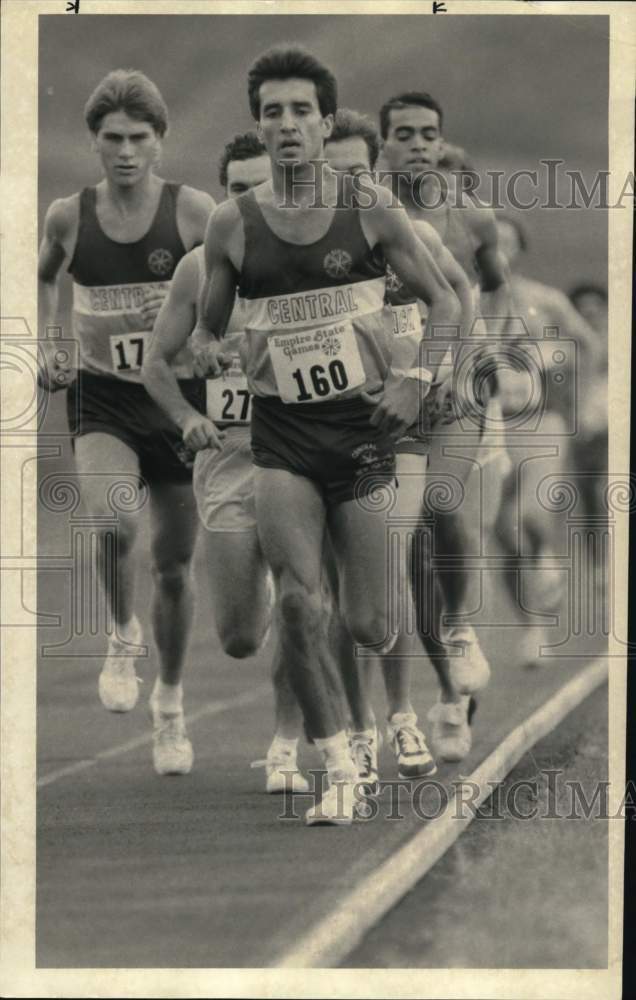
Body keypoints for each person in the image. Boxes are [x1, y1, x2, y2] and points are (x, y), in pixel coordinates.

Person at [193, 46, 461, 824]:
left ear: (323, 121)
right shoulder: (231, 224)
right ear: (259, 125)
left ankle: (387, 706)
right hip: (283, 442)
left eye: (300, 111)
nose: (285, 125)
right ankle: (339, 764)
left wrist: (415, 382)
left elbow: (445, 304)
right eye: (271, 113)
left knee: (371, 623)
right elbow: (208, 334)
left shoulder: (371, 206)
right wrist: (215, 351)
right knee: (302, 609)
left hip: (366, 433)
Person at [37, 69, 216, 775]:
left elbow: (234, 286)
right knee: (113, 523)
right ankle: (120, 631)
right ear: (94, 143)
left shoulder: (194, 211)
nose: (125, 151)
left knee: (173, 564)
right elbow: (44, 273)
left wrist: (190, 322)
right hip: (103, 394)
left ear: (160, 142)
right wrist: (53, 343)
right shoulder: (68, 216)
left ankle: (169, 705)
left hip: (175, 401)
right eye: (112, 139)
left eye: (139, 138)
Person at [143, 131, 309, 795]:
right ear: (222, 196)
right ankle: (266, 593)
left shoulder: (314, 258)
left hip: (300, 455)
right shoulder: (195, 270)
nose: (249, 198)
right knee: (240, 635)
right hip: (230, 463)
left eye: (260, 185)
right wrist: (187, 417)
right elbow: (156, 364)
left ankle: (286, 748)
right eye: (237, 188)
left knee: (302, 607)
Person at [324, 108, 477, 783]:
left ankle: (405, 714)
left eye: (360, 171)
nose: (352, 183)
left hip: (403, 422)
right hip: (320, 427)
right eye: (340, 171)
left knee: (394, 549)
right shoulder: (292, 245)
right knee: (337, 590)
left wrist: (440, 373)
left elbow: (457, 297)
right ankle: (355, 729)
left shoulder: (402, 234)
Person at [378, 91, 505, 758]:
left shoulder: (472, 219)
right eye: (405, 133)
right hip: (393, 398)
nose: (419, 144)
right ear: (384, 145)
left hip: (459, 388)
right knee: (406, 557)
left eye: (430, 132)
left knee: (443, 512)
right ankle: (451, 699)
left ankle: (459, 625)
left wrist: (493, 344)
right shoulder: (370, 215)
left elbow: (493, 286)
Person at [494, 216, 605, 607]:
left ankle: (544, 558)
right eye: (491, 240)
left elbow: (589, 345)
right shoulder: (465, 298)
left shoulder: (546, 301)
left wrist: (581, 401)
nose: (499, 250)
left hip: (544, 421)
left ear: (520, 249)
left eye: (508, 242)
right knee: (504, 529)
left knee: (534, 514)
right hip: (491, 426)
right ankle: (537, 584)